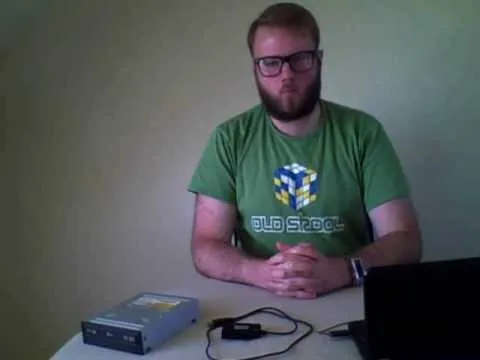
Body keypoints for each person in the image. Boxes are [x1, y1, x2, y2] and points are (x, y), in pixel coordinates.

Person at [187, 2, 422, 299]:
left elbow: (405, 239)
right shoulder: (229, 139)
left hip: (349, 298)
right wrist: (261, 274)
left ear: (319, 60)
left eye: (300, 59)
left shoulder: (363, 132)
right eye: (271, 62)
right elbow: (205, 246)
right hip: (259, 303)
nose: (286, 75)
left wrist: (343, 270)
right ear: (256, 69)